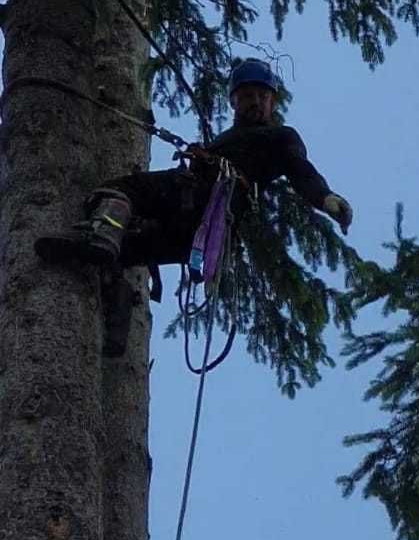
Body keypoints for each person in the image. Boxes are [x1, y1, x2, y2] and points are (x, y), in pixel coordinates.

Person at [34, 58, 352, 354]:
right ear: (234, 102)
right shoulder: (223, 141)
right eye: (247, 96)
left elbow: (300, 170)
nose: (255, 102)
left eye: (261, 96)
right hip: (193, 234)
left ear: (272, 101)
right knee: (125, 251)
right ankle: (114, 321)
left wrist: (326, 198)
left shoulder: (280, 138)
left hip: (204, 208)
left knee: (121, 190)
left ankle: (101, 236)